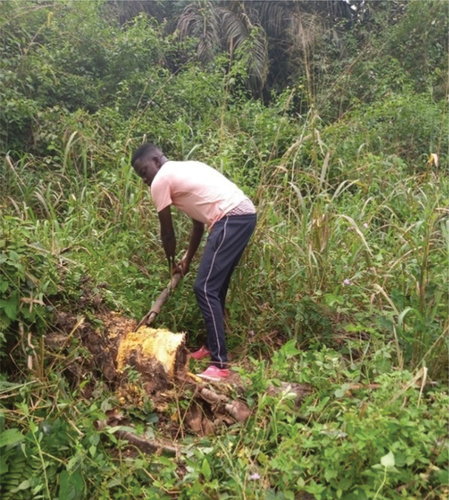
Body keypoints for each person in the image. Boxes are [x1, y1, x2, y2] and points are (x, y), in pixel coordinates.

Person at [131, 143, 257, 381]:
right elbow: (198, 224)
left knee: (205, 288)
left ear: (156, 161)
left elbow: (167, 233)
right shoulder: (186, 169)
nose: (145, 180)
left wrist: (171, 265)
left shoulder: (161, 180)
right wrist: (187, 260)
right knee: (215, 288)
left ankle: (220, 364)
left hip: (230, 218)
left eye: (144, 172)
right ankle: (211, 346)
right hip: (244, 215)